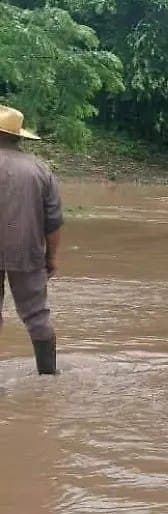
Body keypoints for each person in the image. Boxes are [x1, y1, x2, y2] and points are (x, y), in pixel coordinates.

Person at [0, 105, 63, 375]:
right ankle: (48, 376)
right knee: (37, 314)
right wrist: (51, 257)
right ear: (18, 137)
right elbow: (54, 221)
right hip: (27, 251)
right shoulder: (39, 169)